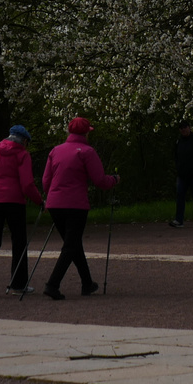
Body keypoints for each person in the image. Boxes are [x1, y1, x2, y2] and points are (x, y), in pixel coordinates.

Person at [39, 116, 118, 300]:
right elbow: (99, 180)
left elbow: (45, 182)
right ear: (86, 133)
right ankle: (52, 284)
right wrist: (114, 180)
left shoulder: (55, 151)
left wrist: (51, 195)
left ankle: (87, 283)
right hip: (75, 205)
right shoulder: (87, 151)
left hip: (55, 204)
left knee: (73, 244)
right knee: (70, 245)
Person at [0, 124, 45, 298]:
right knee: (19, 242)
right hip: (13, 202)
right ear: (24, 140)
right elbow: (27, 184)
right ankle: (18, 284)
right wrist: (39, 201)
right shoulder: (22, 154)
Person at [169, 120, 193, 228]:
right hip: (182, 174)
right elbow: (175, 155)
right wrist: (178, 167)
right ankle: (179, 220)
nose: (183, 130)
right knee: (180, 195)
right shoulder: (178, 141)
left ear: (189, 128)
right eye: (181, 128)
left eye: (185, 127)